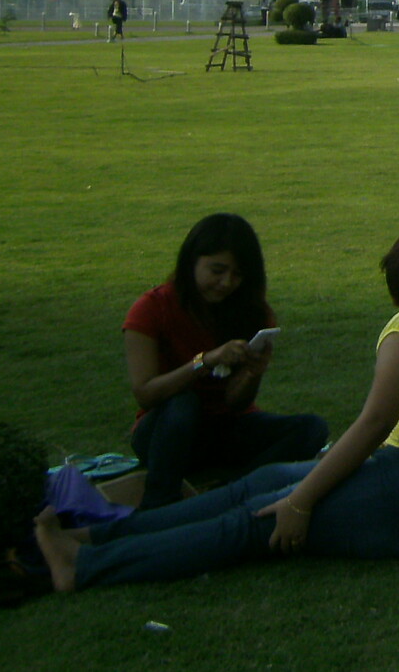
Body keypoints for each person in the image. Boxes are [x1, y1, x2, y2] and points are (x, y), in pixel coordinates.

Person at [36, 221, 399, 590]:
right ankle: (91, 535)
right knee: (258, 484)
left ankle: (82, 567)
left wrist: (301, 503)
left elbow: (374, 422)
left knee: (255, 519)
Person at [121, 214, 328, 509]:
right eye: (217, 270)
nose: (226, 283)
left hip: (225, 429)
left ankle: (231, 490)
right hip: (165, 434)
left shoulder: (251, 312)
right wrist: (204, 362)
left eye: (238, 275)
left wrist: (252, 373)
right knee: (183, 403)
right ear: (192, 260)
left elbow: (236, 404)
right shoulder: (150, 309)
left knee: (311, 428)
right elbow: (146, 393)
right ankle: (158, 503)